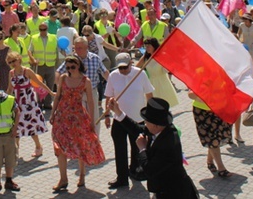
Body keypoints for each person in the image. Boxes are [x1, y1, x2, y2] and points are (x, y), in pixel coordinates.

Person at [107, 97, 199, 198]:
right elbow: (137, 129)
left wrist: (142, 149)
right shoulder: (158, 129)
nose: (144, 123)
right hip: (162, 190)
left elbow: (149, 170)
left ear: (156, 125)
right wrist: (118, 112)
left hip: (174, 193)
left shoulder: (168, 143)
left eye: (146, 121)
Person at [50, 55, 105, 192]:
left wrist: (92, 121)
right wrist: (52, 114)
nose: (70, 69)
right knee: (59, 147)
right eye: (68, 67)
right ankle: (63, 179)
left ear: (78, 65)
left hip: (78, 117)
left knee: (80, 146)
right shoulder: (63, 78)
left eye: (72, 67)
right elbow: (58, 97)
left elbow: (91, 102)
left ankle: (82, 174)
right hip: (62, 116)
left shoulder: (85, 81)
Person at [104, 52, 154, 189]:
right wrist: (107, 115)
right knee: (120, 150)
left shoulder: (140, 74)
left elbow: (149, 94)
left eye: (125, 67)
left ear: (131, 63)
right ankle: (122, 178)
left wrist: (150, 116)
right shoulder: (113, 76)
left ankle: (135, 171)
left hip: (137, 120)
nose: (123, 71)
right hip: (119, 120)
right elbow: (108, 97)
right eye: (120, 68)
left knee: (136, 148)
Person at [56, 37, 108, 135]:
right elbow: (59, 71)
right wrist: (59, 85)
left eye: (80, 48)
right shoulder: (72, 60)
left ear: (86, 47)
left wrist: (113, 86)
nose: (77, 50)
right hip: (76, 93)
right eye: (76, 48)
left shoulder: (95, 58)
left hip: (92, 91)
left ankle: (95, 139)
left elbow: (104, 72)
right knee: (79, 117)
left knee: (94, 117)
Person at [5, 51, 52, 158]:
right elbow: (10, 88)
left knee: (31, 126)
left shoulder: (27, 71)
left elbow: (39, 83)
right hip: (17, 104)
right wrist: (5, 101)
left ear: (19, 60)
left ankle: (38, 147)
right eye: (10, 62)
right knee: (16, 128)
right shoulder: (11, 73)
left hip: (29, 104)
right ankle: (15, 150)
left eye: (14, 61)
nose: (12, 63)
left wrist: (51, 92)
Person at [137, 38, 178, 108]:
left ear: (154, 46)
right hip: (151, 83)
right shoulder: (146, 57)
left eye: (149, 46)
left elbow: (167, 70)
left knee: (164, 102)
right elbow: (137, 67)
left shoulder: (162, 55)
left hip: (162, 81)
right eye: (145, 46)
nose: (147, 48)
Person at [28, 22, 60, 109]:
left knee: (50, 85)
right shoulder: (34, 38)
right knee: (38, 85)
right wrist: (33, 60)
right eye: (41, 29)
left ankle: (48, 103)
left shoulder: (53, 37)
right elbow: (29, 51)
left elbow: (58, 50)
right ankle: (39, 102)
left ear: (47, 29)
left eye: (44, 29)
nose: (42, 31)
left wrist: (58, 64)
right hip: (39, 65)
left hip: (50, 65)